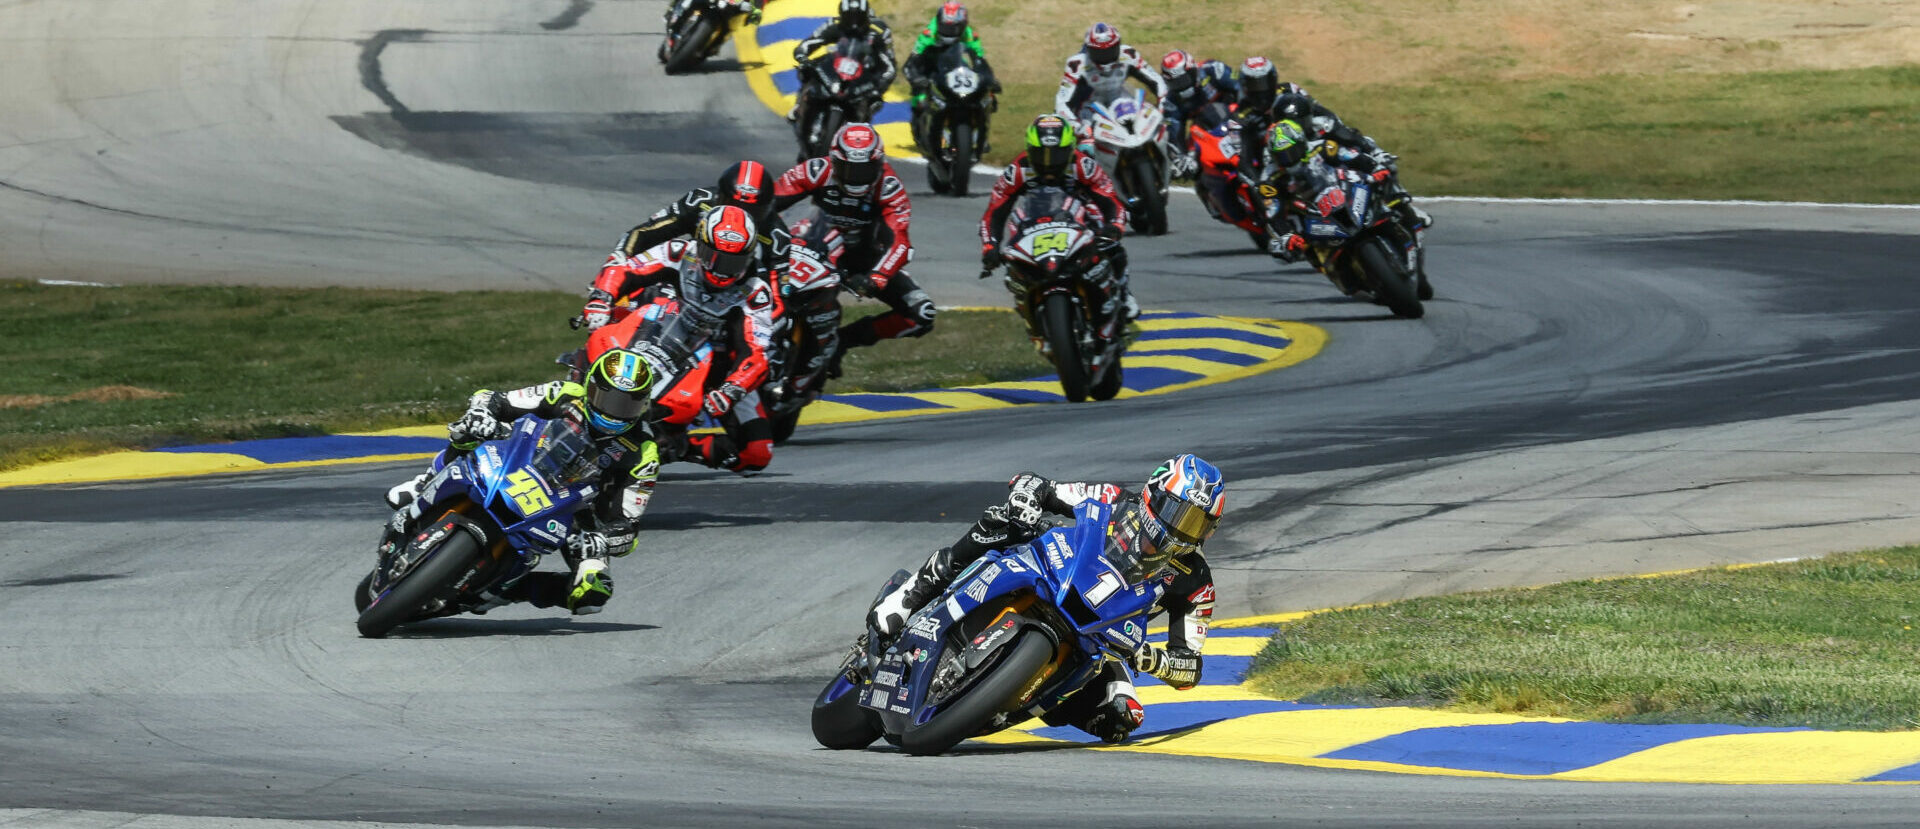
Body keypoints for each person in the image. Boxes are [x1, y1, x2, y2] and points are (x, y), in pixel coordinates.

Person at [867, 455, 1226, 743]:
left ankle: (1007, 704)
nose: (1184, 530)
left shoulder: (1195, 581)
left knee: (1122, 716)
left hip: (1103, 640)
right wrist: (1027, 498)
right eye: (1181, 514)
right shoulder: (1113, 499)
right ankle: (911, 594)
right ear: (1154, 496)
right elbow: (1040, 484)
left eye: (1198, 524)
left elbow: (1190, 667)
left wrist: (1152, 659)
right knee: (1003, 524)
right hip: (1055, 572)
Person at [379, 349, 661, 616]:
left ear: (643, 404)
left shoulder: (643, 451)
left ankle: (507, 591)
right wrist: (483, 414)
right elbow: (494, 399)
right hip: (518, 461)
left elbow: (627, 525)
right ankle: (426, 481)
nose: (615, 413)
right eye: (608, 399)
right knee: (469, 430)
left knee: (593, 593)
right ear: (589, 388)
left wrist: (604, 539)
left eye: (627, 405)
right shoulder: (563, 393)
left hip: (574, 511)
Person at [593, 205, 781, 474]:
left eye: (731, 262)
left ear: (749, 257)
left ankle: (677, 446)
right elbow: (625, 270)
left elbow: (755, 354)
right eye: (713, 257)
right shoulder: (680, 252)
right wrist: (601, 300)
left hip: (714, 365)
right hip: (657, 332)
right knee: (608, 327)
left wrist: (732, 388)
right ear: (700, 244)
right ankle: (575, 386)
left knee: (757, 451)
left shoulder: (755, 292)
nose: (720, 270)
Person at [773, 123, 933, 373]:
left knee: (921, 314)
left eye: (865, 169)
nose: (856, 177)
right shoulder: (816, 170)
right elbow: (769, 202)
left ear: (879, 163)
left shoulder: (889, 187)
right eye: (848, 168)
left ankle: (842, 341)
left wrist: (876, 278)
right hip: (813, 247)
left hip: (865, 259)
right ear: (834, 161)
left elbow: (900, 242)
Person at [587, 161, 789, 331]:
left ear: (767, 209)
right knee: (620, 303)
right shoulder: (700, 201)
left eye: (752, 211)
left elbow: (778, 300)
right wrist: (614, 266)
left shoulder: (776, 237)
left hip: (733, 303)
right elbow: (645, 233)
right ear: (720, 196)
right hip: (686, 279)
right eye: (731, 204)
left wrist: (759, 327)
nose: (737, 215)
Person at [979, 114, 1138, 325]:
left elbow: (1111, 202)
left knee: (1109, 239)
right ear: (1030, 148)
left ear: (1070, 149)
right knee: (1012, 241)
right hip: (1036, 218)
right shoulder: (1017, 170)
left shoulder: (1083, 166)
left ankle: (1123, 292)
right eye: (1041, 154)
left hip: (1078, 212)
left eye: (1056, 155)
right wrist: (990, 246)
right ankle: (1027, 299)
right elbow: (994, 212)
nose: (1048, 162)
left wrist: (1114, 227)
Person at [902, 1, 1000, 152]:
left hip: (958, 67)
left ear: (962, 25)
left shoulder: (970, 35)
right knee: (919, 98)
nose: (948, 31)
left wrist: (989, 79)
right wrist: (916, 78)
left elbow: (980, 61)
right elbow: (912, 62)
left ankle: (982, 135)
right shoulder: (929, 34)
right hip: (932, 66)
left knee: (990, 97)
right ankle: (919, 130)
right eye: (945, 26)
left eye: (953, 27)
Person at [789, 0, 898, 121]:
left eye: (858, 18)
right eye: (849, 18)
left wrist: (881, 83)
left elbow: (889, 63)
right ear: (842, 15)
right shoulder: (834, 23)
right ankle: (799, 105)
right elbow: (812, 40)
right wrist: (802, 56)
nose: (854, 23)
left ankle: (861, 122)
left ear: (866, 16)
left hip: (864, 70)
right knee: (809, 69)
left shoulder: (879, 30)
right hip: (837, 62)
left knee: (874, 101)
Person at [1053, 22, 1166, 136]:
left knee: (1148, 123)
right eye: (1099, 53)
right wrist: (1075, 125)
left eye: (1110, 51)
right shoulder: (1076, 64)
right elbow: (1061, 101)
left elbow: (1156, 80)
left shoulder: (1128, 54)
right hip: (1091, 106)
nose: (1105, 56)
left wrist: (1162, 105)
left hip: (1121, 100)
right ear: (1088, 50)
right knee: (1086, 132)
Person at [1159, 50, 1237, 176]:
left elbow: (1242, 89)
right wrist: (1180, 158)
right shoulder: (1171, 101)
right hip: (1207, 131)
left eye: (1182, 80)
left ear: (1192, 70)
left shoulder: (1214, 69)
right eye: (1175, 83)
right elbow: (1175, 133)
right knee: (1192, 164)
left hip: (1235, 116)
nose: (1180, 86)